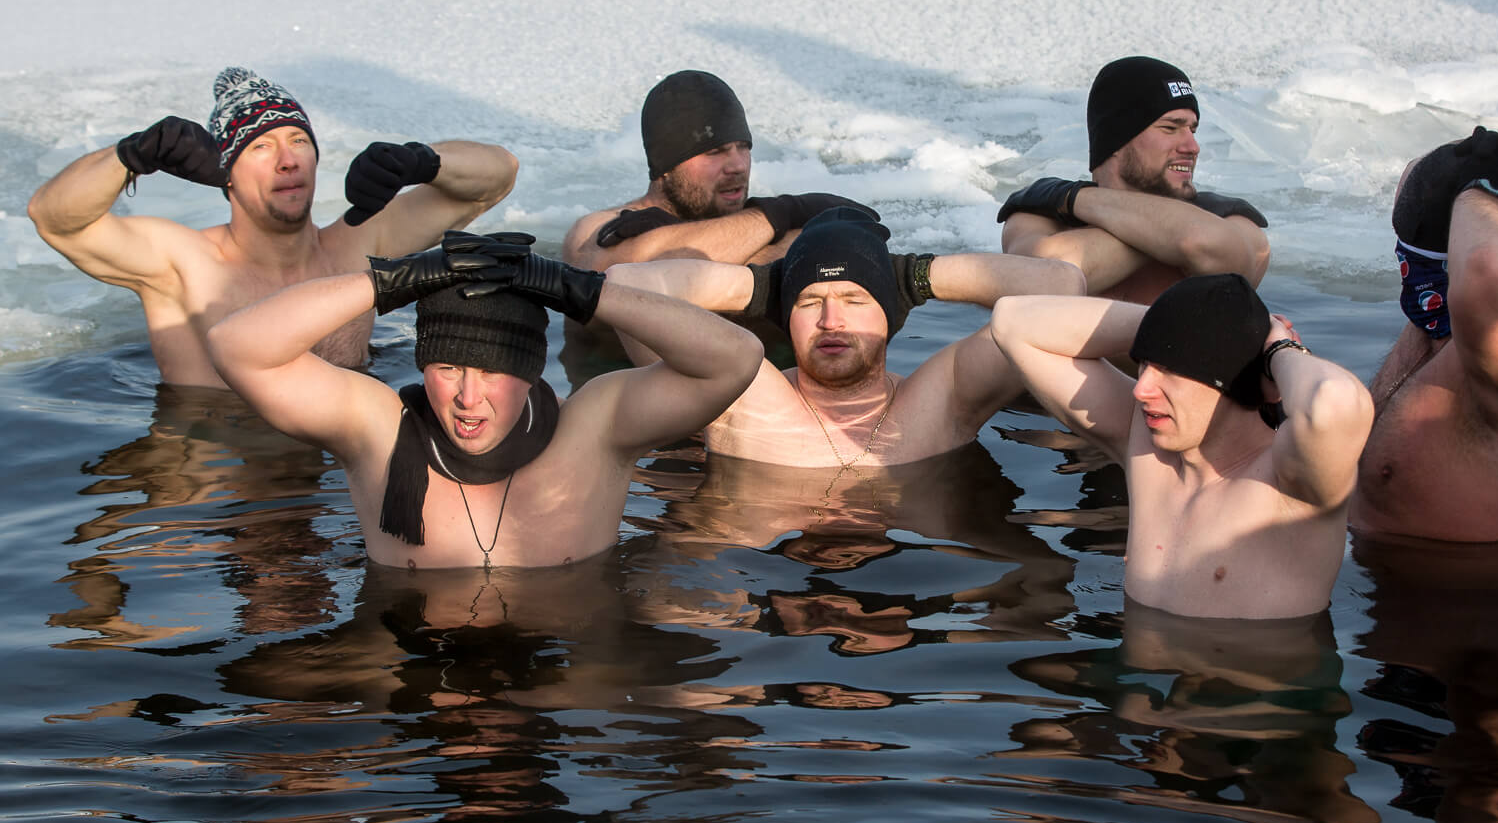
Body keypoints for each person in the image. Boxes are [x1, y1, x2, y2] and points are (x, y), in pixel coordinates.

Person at [205, 232, 763, 568]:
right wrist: (392, 282)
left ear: (531, 371)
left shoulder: (595, 430)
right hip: (419, 691)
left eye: (493, 371)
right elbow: (236, 347)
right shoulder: (375, 430)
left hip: (559, 686)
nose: (468, 398)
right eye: (448, 368)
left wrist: (580, 290)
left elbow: (736, 359)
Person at [27, 67, 519, 388]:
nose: (287, 161)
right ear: (225, 173)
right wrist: (132, 155)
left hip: (340, 472)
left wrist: (421, 160)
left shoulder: (359, 243)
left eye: (298, 141)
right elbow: (55, 220)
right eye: (260, 147)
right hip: (222, 485)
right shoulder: (184, 263)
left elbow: (496, 178)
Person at [991, 272, 1374, 619]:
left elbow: (1334, 402)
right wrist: (1173, 319)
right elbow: (1013, 321)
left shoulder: (1293, 483)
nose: (1142, 389)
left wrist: (1277, 348)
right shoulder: (1147, 449)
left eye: (1172, 369)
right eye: (1144, 364)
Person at [607, 207, 1086, 468]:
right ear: (784, 316)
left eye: (855, 299)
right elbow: (625, 286)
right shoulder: (740, 396)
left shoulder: (945, 399)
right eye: (809, 302)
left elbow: (1063, 287)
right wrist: (763, 285)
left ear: (891, 313)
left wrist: (915, 277)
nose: (831, 320)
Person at [1351, 128, 1498, 543]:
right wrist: (1446, 179)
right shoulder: (1433, 334)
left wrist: (1476, 188)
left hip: (1497, 585)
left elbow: (1488, 268)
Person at [998, 55, 1270, 304]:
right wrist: (1170, 237)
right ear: (1117, 138)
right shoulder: (1037, 220)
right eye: (1170, 128)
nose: (1192, 146)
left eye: (1192, 130)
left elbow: (1205, 243)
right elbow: (1050, 277)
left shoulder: (1234, 221)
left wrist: (1076, 197)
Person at [560, 70, 872, 271]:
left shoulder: (754, 229)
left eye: (743, 147)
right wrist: (782, 213)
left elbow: (857, 246)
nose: (738, 166)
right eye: (714, 152)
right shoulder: (594, 231)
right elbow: (626, 272)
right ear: (665, 165)